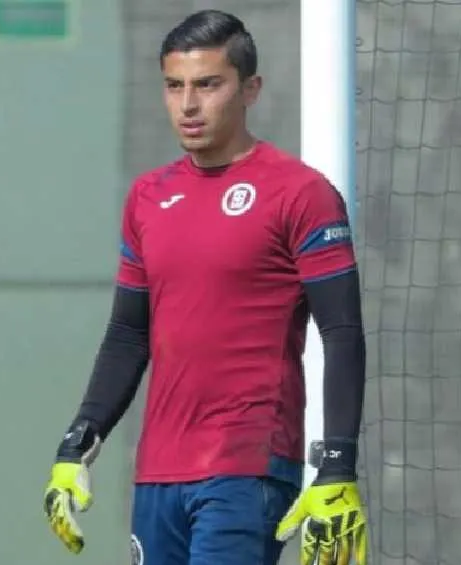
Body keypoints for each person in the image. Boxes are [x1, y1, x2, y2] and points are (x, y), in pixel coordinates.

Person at [42, 9, 368, 565]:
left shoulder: (302, 193)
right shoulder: (148, 196)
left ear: (250, 89)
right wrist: (77, 443)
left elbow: (341, 332)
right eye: (175, 86)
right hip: (159, 474)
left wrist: (337, 465)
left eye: (208, 85)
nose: (188, 105)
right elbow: (127, 334)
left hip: (247, 468)